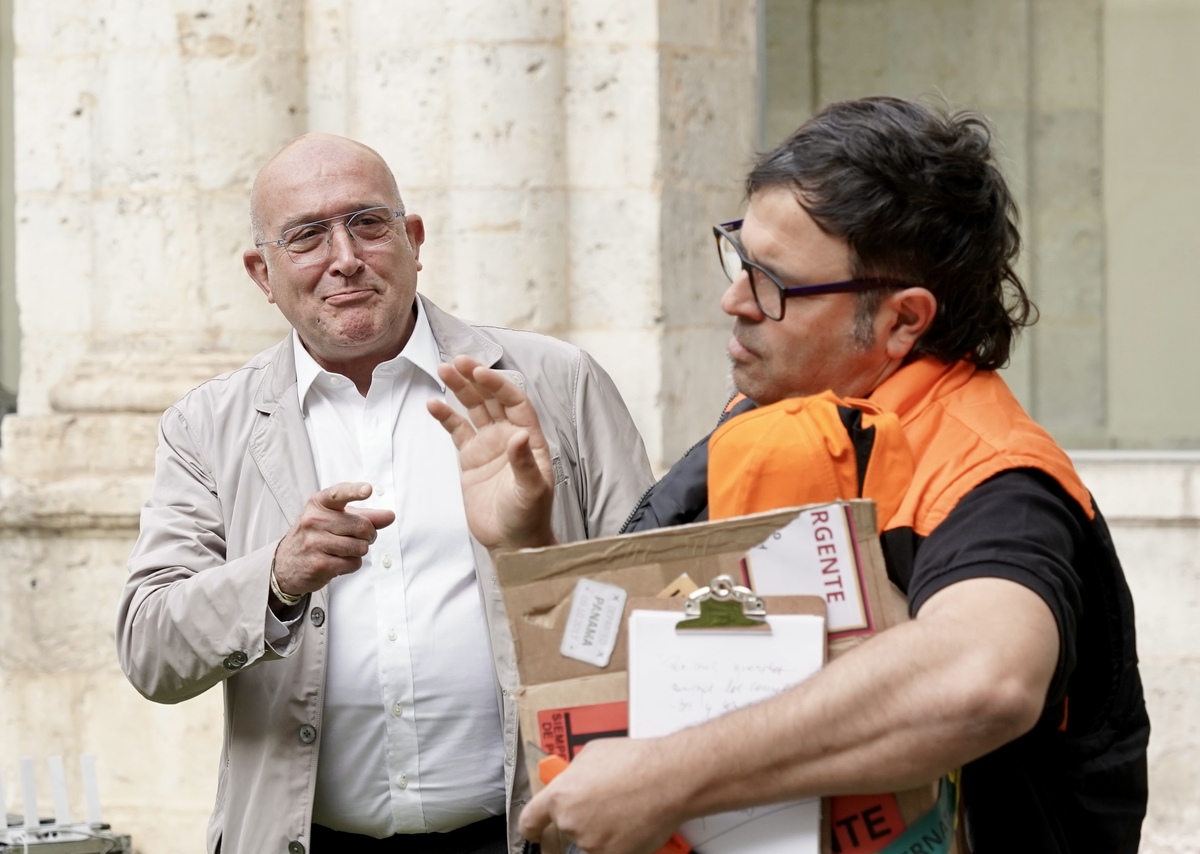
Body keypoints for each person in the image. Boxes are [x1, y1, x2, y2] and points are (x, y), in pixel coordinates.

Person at [432, 97, 1150, 854]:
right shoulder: (764, 418)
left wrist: (671, 776)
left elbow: (986, 679)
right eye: (741, 257)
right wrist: (525, 543)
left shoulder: (996, 479)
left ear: (903, 319)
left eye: (774, 283)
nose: (733, 299)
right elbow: (642, 657)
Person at [116, 133, 653, 854]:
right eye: (306, 236)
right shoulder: (208, 426)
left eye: (368, 223)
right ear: (262, 274)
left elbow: (657, 619)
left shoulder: (557, 385)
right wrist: (274, 579)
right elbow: (151, 650)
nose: (344, 257)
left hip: (533, 830)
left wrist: (534, 551)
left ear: (414, 239)